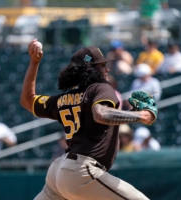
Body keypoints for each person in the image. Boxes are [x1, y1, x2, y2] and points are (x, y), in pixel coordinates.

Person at [20, 38, 156, 200]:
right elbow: (101, 114)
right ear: (89, 69)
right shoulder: (101, 88)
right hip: (81, 171)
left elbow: (27, 100)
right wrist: (141, 115)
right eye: (102, 65)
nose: (107, 69)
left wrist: (34, 62)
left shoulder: (65, 98)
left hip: (58, 171)